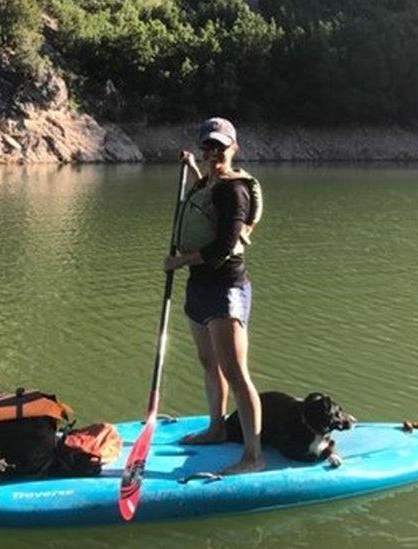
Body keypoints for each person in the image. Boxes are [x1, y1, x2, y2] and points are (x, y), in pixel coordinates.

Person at [163, 117, 264, 474]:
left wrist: (179, 260)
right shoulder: (210, 181)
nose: (212, 152)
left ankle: (253, 456)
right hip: (199, 287)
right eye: (207, 146)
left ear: (233, 147)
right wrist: (191, 167)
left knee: (235, 372)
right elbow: (205, 198)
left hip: (225, 289)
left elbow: (223, 245)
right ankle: (216, 427)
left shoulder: (234, 190)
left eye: (219, 146)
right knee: (209, 363)